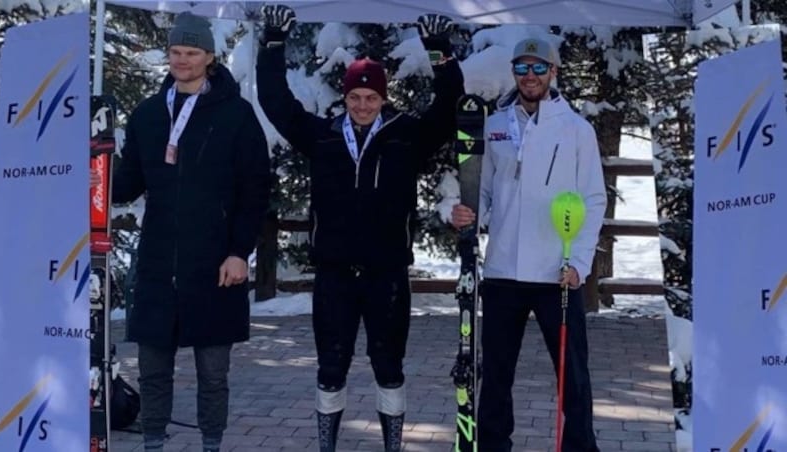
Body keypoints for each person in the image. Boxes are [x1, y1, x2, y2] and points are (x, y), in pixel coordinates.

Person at [255, 5, 464, 451]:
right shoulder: (323, 136)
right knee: (331, 367)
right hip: (334, 275)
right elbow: (276, 104)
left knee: (388, 365)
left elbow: (448, 111)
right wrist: (272, 44)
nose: (363, 106)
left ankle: (392, 445)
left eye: (371, 98)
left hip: (386, 274)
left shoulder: (406, 136)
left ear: (383, 99)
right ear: (345, 99)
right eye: (355, 98)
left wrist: (440, 53)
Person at [105, 12, 271, 452]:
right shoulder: (148, 114)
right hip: (159, 262)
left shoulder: (237, 115)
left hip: (215, 263)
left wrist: (240, 251)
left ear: (210, 57)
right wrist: (99, 176)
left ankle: (211, 444)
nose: (182, 60)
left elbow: (255, 191)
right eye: (176, 52)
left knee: (213, 374)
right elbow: (129, 184)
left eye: (191, 53)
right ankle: (154, 444)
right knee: (152, 370)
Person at [451, 37, 607, 452]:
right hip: (503, 272)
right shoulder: (496, 124)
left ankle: (579, 446)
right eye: (522, 68)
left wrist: (582, 264)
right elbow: (482, 191)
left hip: (557, 271)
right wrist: (466, 213)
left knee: (572, 374)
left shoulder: (576, 129)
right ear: (514, 74)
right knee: (497, 373)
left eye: (539, 68)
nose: (530, 76)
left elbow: (594, 198)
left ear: (553, 73)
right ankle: (493, 445)